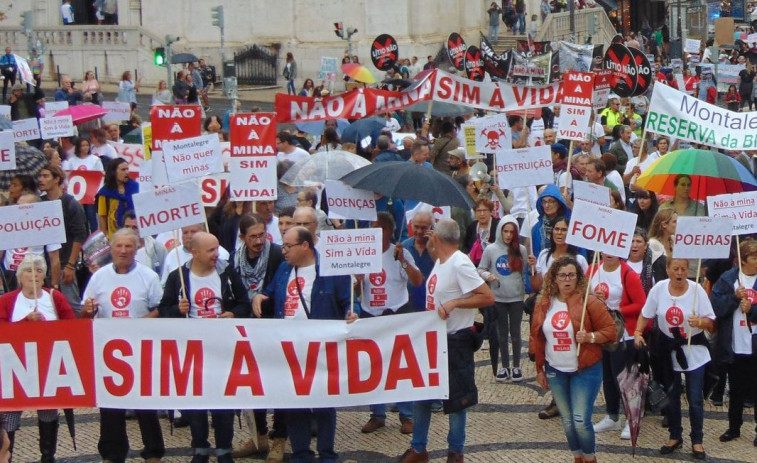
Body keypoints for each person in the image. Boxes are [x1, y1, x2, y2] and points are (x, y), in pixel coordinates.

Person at [253, 227, 358, 463]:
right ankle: (301, 454)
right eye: (283, 246)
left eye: (288, 246)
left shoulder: (330, 271)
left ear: (305, 246)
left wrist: (353, 313)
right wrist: (259, 297)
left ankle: (327, 454)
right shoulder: (283, 269)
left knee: (323, 402)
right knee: (294, 402)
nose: (284, 251)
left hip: (321, 348)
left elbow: (348, 302)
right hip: (290, 349)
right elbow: (270, 292)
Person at [398, 219, 493, 463]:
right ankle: (419, 448)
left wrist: (455, 303)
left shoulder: (459, 263)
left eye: (432, 236)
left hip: (454, 341)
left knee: (456, 400)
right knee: (422, 395)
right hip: (433, 339)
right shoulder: (441, 260)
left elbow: (487, 296)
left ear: (436, 237)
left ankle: (455, 451)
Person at [159, 232, 250, 463]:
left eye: (217, 248)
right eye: (210, 250)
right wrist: (176, 311)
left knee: (224, 402)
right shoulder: (177, 277)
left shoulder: (226, 273)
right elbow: (163, 311)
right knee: (196, 402)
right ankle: (199, 447)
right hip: (192, 352)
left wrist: (233, 313)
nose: (216, 254)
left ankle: (223, 449)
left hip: (222, 349)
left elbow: (244, 304)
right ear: (195, 252)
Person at [80, 228, 166, 463]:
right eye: (119, 246)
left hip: (140, 348)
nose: (123, 250)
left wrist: (138, 325)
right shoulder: (99, 276)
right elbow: (86, 309)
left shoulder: (148, 276)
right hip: (110, 351)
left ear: (137, 247)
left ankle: (153, 452)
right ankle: (112, 453)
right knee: (110, 405)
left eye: (129, 246)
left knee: (145, 403)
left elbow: (160, 308)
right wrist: (87, 311)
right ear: (112, 248)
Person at [531, 256, 617, 463]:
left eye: (571, 275)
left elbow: (611, 330)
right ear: (554, 279)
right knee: (567, 421)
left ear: (578, 277)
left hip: (585, 368)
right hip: (556, 369)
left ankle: (589, 458)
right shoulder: (544, 303)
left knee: (580, 420)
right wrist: (539, 369)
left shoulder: (590, 301)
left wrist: (590, 337)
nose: (567, 279)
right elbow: (537, 337)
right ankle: (577, 457)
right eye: (562, 275)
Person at [634, 258, 716, 460]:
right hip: (667, 349)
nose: (680, 273)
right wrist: (637, 332)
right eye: (676, 268)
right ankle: (675, 435)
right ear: (668, 270)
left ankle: (697, 439)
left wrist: (701, 322)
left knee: (695, 398)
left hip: (693, 350)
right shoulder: (660, 289)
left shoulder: (696, 289)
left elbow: (712, 323)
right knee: (671, 395)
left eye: (683, 269)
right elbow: (646, 313)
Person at [0, 255, 75, 463]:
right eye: (28, 271)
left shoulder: (55, 297)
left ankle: (47, 456)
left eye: (39, 271)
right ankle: (6, 455)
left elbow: (71, 327)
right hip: (16, 368)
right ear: (19, 276)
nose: (34, 275)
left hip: (47, 367)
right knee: (10, 416)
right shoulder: (7, 301)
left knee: (48, 412)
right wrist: (26, 322)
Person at [358, 212, 423, 434]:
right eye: (372, 227)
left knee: (400, 366)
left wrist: (403, 260)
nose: (376, 232)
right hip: (370, 314)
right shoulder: (362, 254)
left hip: (396, 312)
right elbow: (355, 291)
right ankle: (377, 413)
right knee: (373, 365)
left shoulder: (400, 252)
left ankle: (406, 414)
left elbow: (417, 280)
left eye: (380, 228)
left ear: (389, 231)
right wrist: (357, 281)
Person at [230, 214, 286, 461]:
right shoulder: (234, 261)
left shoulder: (276, 255)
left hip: (273, 327)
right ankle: (259, 435)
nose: (259, 240)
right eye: (252, 236)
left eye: (262, 234)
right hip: (246, 330)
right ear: (242, 238)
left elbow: (282, 287)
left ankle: (279, 438)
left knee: (279, 384)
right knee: (252, 383)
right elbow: (235, 296)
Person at [586, 252, 646, 440]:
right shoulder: (592, 269)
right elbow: (584, 297)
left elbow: (641, 304)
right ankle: (612, 415)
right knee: (608, 377)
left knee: (624, 378)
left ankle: (631, 419)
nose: (609, 254)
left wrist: (616, 310)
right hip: (602, 333)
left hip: (623, 335)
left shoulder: (628, 274)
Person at [711, 240, 757, 446]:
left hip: (754, 344)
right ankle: (734, 427)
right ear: (743, 260)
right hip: (735, 345)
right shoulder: (728, 279)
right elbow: (717, 309)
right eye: (754, 258)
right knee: (736, 390)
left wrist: (753, 311)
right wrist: (733, 298)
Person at [477, 216, 528, 382]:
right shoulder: (491, 249)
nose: (508, 235)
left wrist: (532, 265)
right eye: (505, 231)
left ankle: (516, 366)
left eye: (511, 232)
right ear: (500, 231)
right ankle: (505, 366)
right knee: (501, 333)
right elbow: (480, 269)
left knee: (515, 332)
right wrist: (489, 276)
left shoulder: (521, 249)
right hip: (498, 297)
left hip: (516, 298)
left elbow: (525, 271)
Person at [38, 165, 87, 313]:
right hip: (44, 264)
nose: (41, 179)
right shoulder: (39, 203)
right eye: (40, 176)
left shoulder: (70, 203)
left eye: (46, 176)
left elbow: (80, 235)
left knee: (71, 305)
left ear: (57, 179)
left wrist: (70, 265)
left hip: (65, 262)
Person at [160, 224, 231, 286]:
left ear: (203, 231)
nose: (189, 236)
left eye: (193, 231)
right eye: (185, 232)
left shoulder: (221, 253)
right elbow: (164, 286)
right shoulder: (173, 255)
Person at [96, 158, 138, 240]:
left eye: (127, 169)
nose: (127, 172)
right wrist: (104, 239)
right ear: (114, 172)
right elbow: (102, 217)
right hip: (114, 237)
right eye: (123, 170)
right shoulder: (105, 193)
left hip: (134, 236)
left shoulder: (136, 187)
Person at [402, 210, 435, 311]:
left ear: (432, 227)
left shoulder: (439, 247)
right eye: (416, 227)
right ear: (411, 225)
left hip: (432, 300)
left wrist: (432, 249)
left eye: (424, 228)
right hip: (408, 302)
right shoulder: (404, 247)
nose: (420, 231)